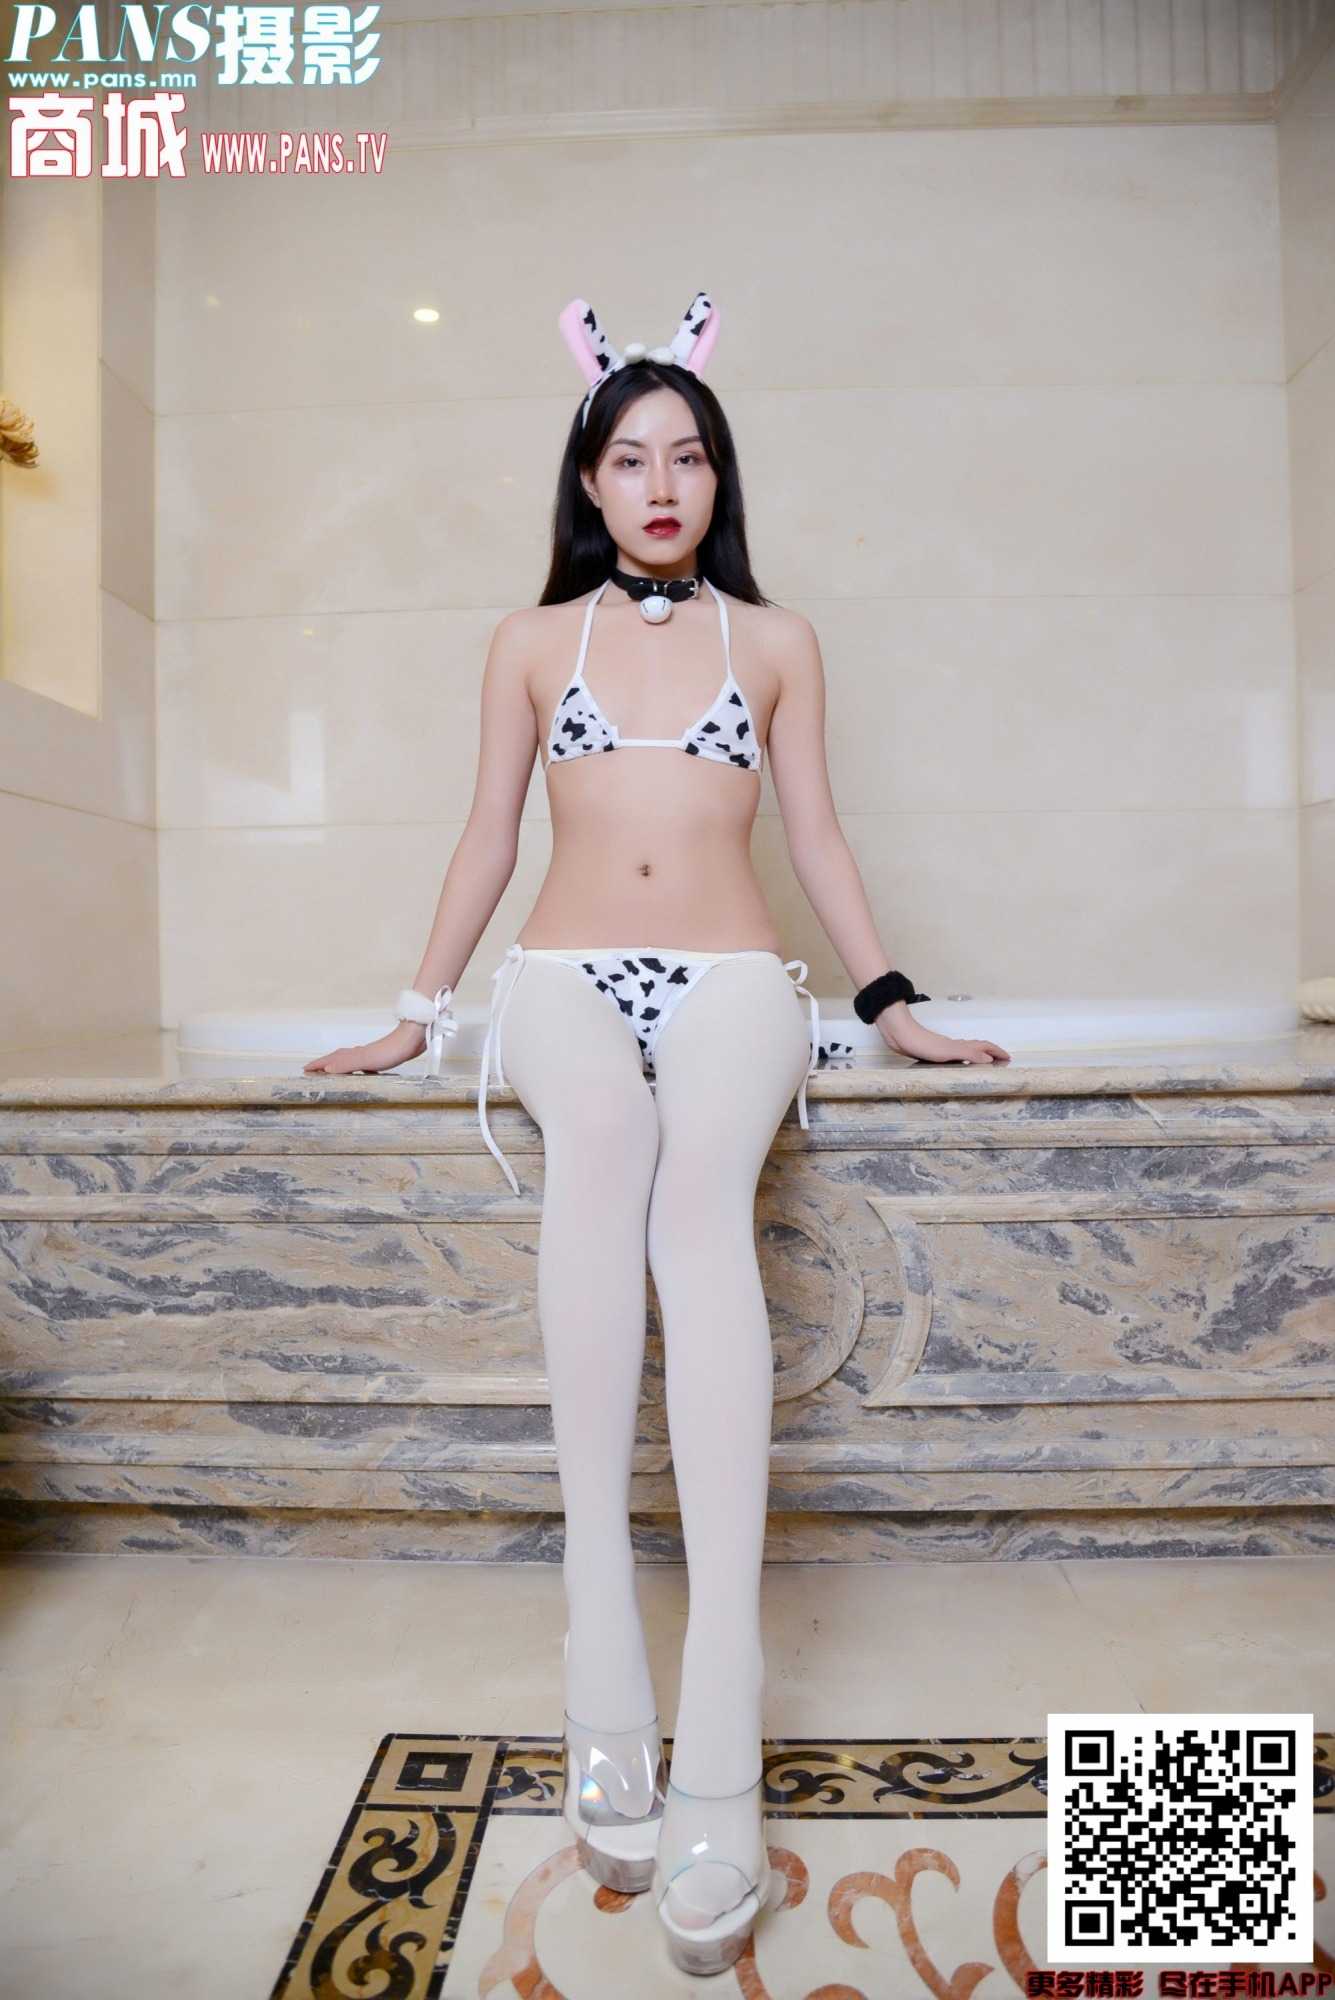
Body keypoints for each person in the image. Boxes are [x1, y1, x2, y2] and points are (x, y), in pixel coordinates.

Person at [306, 288, 1010, 1976]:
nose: (662, 484)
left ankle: (723, 1706)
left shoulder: (778, 643)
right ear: (589, 483)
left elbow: (816, 836)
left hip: (734, 977)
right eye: (630, 459)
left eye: (687, 455)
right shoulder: (526, 642)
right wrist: (416, 1008)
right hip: (561, 975)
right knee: (600, 1164)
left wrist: (892, 1001)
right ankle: (601, 1644)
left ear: (718, 475)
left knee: (699, 1209)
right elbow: (489, 834)